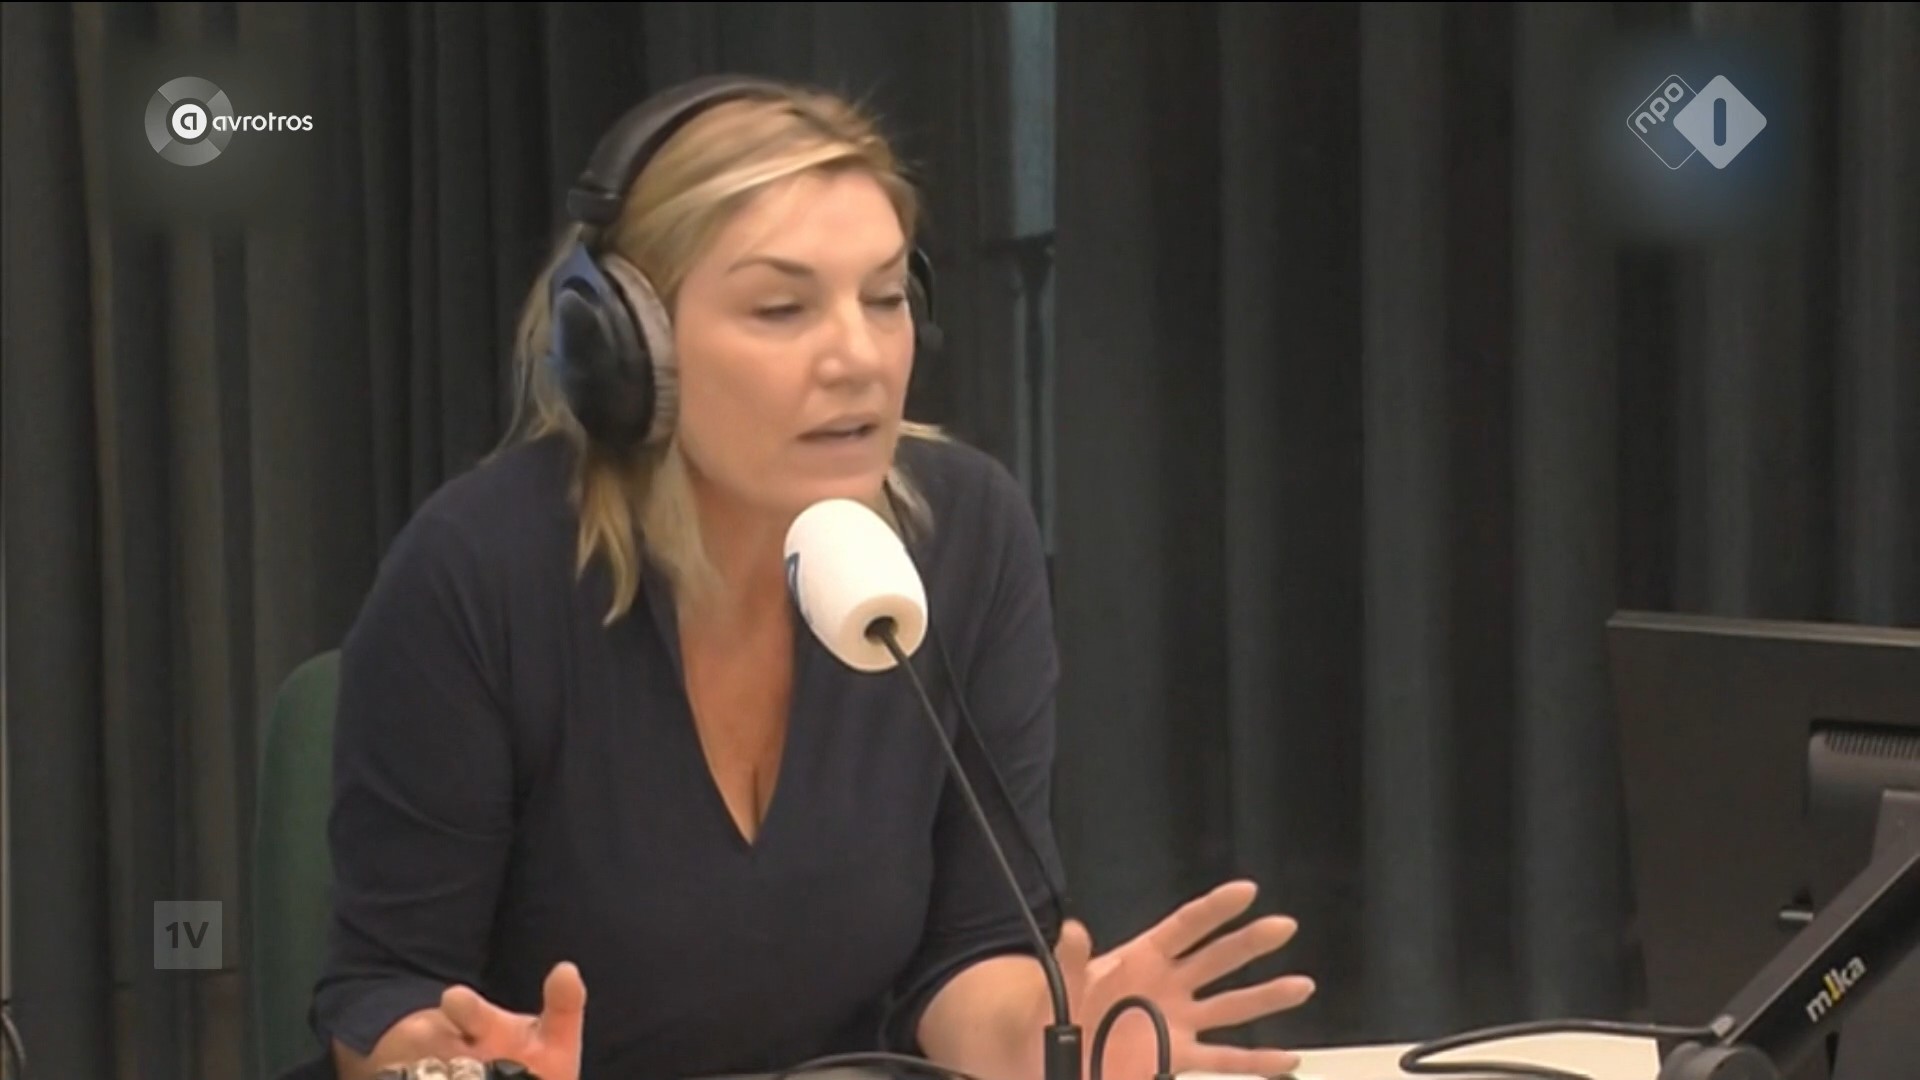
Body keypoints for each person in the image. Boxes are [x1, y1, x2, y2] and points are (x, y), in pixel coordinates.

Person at [302, 75, 1316, 1080]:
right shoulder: (478, 570)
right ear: (625, 347)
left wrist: (1034, 1042)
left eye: (885, 299)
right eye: (782, 309)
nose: (859, 358)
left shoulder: (966, 533)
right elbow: (387, 994)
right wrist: (460, 1064)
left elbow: (970, 948)